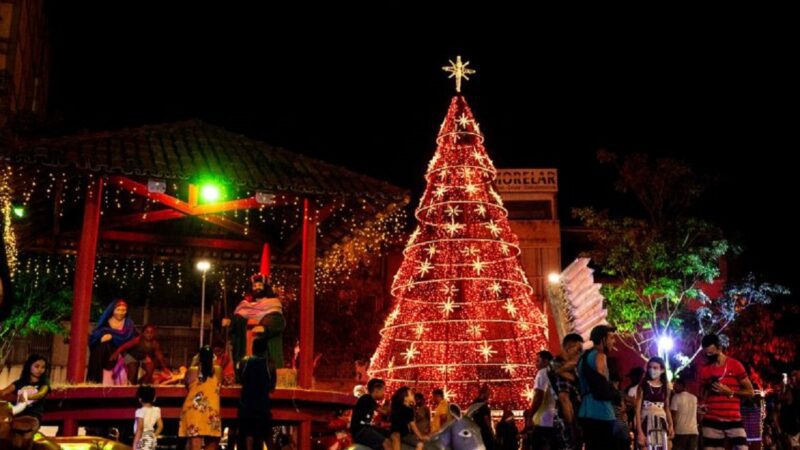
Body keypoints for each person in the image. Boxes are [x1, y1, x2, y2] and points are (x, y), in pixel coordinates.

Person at [698, 334, 754, 450]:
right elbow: (702, 394)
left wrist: (731, 392)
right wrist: (701, 405)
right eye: (706, 353)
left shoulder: (735, 365)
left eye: (711, 353)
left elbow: (750, 392)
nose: (709, 356)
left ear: (720, 348)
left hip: (733, 419)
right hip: (711, 420)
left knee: (742, 448)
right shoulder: (704, 369)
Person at [222, 273, 285, 369]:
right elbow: (239, 319)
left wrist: (265, 327)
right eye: (254, 286)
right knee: (246, 362)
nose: (257, 288)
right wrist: (231, 322)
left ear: (265, 287)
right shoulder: (245, 305)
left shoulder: (273, 303)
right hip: (247, 339)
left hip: (261, 341)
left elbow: (278, 320)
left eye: (260, 285)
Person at [577, 325, 618, 450]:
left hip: (586, 411)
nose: (613, 341)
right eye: (611, 338)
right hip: (601, 413)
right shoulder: (600, 356)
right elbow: (603, 386)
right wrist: (616, 394)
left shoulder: (583, 358)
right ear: (603, 339)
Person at [179, 346, 223, 450]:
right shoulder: (218, 370)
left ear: (199, 357)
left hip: (194, 411)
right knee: (212, 444)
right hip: (212, 412)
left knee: (194, 447)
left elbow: (187, 382)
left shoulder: (192, 370)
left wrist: (194, 362)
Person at [237, 336, 277, 450]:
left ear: (253, 348)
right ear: (265, 350)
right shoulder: (270, 364)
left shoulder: (244, 362)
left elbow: (240, 380)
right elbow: (272, 388)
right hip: (263, 407)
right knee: (267, 436)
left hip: (246, 407)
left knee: (248, 435)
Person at [87, 299, 137, 384]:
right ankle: (95, 381)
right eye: (118, 310)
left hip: (124, 353)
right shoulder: (105, 324)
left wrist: (115, 341)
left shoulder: (129, 324)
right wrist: (101, 339)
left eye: (123, 310)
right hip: (106, 356)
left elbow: (133, 339)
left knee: (132, 366)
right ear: (112, 310)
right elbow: (95, 337)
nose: (121, 312)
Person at [634, 356, 674, 449]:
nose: (652, 370)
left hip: (661, 422)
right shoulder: (643, 386)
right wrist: (640, 431)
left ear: (662, 370)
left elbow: (667, 408)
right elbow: (637, 410)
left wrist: (671, 425)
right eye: (650, 367)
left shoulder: (666, 388)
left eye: (655, 368)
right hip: (646, 421)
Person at [554, 333, 585, 450]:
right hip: (565, 422)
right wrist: (573, 427)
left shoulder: (563, 367)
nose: (580, 354)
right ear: (568, 348)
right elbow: (564, 398)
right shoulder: (559, 365)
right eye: (578, 350)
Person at [0, 354, 50, 421]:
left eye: (43, 367)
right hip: (18, 414)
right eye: (37, 366)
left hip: (33, 416)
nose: (40, 370)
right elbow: (3, 392)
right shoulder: (20, 382)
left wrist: (26, 397)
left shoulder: (44, 382)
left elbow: (41, 394)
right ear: (29, 366)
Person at [351, 378, 391, 450]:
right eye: (383, 390)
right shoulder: (367, 398)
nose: (384, 393)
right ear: (376, 390)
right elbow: (384, 412)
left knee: (388, 434)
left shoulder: (369, 400)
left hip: (364, 429)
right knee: (386, 442)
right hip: (360, 431)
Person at [531, 350, 557, 450]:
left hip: (542, 420)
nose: (535, 364)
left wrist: (530, 417)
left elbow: (539, 395)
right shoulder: (556, 373)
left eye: (538, 361)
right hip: (555, 419)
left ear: (546, 361)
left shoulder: (542, 372)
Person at [671, 378, 699, 450]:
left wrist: (672, 429)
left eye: (675, 385)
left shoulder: (676, 397)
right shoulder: (694, 398)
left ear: (681, 385)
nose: (673, 387)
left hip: (680, 432)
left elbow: (673, 416)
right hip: (693, 431)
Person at [133, 385, 163, 450]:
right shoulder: (156, 410)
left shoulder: (140, 411)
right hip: (151, 438)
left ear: (140, 399)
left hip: (142, 439)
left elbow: (139, 429)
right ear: (154, 398)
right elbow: (160, 426)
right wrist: (154, 436)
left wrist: (135, 445)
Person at [779, 369, 800, 450]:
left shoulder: (793, 391)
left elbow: (783, 398)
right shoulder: (792, 390)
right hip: (793, 424)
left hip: (793, 424)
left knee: (794, 445)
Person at [471, 384, 495, 450]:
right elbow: (486, 418)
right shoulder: (483, 405)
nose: (489, 396)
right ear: (484, 393)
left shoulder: (474, 403)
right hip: (484, 431)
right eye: (488, 394)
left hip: (476, 430)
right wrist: (491, 430)